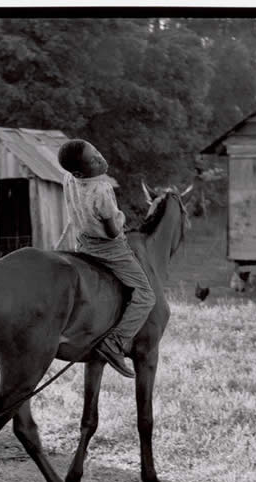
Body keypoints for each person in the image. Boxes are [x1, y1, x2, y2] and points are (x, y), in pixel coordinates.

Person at [58, 139, 155, 378]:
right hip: (109, 249)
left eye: (98, 151)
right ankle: (116, 342)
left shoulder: (68, 179)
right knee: (146, 294)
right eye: (94, 159)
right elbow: (112, 232)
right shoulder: (101, 189)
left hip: (82, 243)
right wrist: (119, 222)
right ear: (81, 170)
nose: (101, 158)